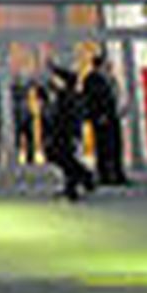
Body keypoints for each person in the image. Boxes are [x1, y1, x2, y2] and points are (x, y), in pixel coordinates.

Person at [79, 48, 132, 186]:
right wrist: (97, 115)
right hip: (101, 119)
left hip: (112, 116)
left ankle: (118, 174)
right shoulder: (91, 79)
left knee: (116, 146)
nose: (109, 66)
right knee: (103, 148)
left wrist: (120, 108)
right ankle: (105, 176)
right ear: (100, 64)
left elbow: (114, 95)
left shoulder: (109, 78)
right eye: (106, 64)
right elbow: (90, 99)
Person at [45, 64, 97, 201]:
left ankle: (81, 179)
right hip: (64, 131)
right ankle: (79, 181)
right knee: (64, 157)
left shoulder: (68, 96)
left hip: (64, 131)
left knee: (62, 156)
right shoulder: (67, 95)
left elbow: (65, 115)